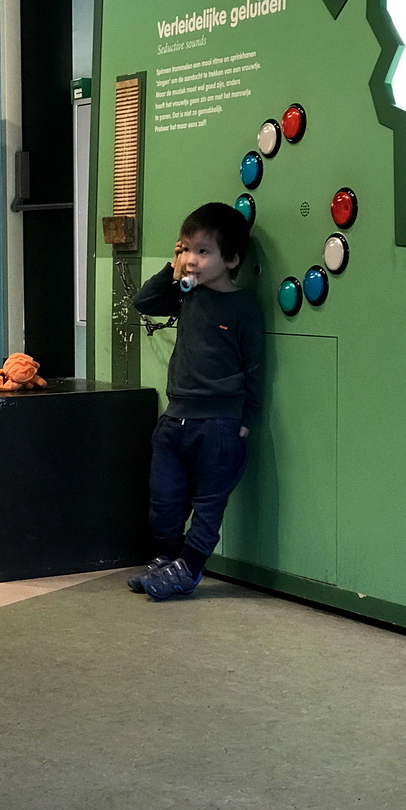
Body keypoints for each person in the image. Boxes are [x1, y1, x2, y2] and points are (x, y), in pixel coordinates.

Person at [128, 201, 264, 601]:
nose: (191, 260)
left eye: (203, 252)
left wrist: (246, 419)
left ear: (232, 259)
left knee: (208, 505)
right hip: (175, 420)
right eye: (185, 249)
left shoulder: (243, 308)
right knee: (164, 500)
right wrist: (171, 270)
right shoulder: (186, 295)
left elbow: (255, 369)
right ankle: (167, 558)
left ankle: (187, 569)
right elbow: (145, 302)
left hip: (220, 425)